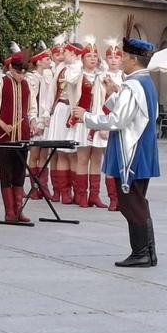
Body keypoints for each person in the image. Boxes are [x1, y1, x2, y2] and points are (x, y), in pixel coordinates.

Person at [73, 36, 160, 267]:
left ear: (133, 59)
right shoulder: (145, 83)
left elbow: (119, 120)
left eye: (123, 55)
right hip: (142, 150)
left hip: (130, 152)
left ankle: (141, 252)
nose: (120, 59)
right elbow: (133, 112)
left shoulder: (133, 85)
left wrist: (87, 117)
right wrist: (114, 94)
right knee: (137, 200)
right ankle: (147, 252)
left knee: (131, 202)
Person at [0, 52, 37, 223]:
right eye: (17, 72)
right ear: (10, 68)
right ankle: (9, 212)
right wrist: (3, 125)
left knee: (20, 173)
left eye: (23, 72)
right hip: (4, 137)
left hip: (21, 134)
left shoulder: (27, 84)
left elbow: (31, 108)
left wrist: (34, 121)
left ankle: (19, 210)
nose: (20, 75)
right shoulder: (1, 82)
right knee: (6, 173)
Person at [68, 38, 108, 208]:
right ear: (82, 58)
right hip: (82, 121)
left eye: (95, 56)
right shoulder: (77, 74)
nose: (93, 59)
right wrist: (77, 63)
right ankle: (81, 194)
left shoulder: (101, 76)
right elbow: (70, 80)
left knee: (97, 159)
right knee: (82, 158)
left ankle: (95, 195)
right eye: (89, 56)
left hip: (97, 120)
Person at [46, 41, 83, 204]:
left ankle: (77, 191)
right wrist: (46, 113)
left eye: (66, 53)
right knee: (60, 151)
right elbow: (52, 91)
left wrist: (76, 64)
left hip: (74, 111)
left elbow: (73, 80)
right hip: (61, 109)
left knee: (74, 153)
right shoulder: (60, 69)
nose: (63, 56)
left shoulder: (79, 69)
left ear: (74, 55)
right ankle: (62, 191)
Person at [25, 46, 53, 200]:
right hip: (36, 117)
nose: (50, 61)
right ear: (39, 62)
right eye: (47, 59)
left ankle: (43, 185)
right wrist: (32, 119)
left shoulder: (49, 76)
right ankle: (34, 186)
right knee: (34, 153)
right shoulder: (32, 78)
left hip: (46, 117)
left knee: (44, 153)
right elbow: (32, 100)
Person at [103, 39, 125, 210]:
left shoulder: (126, 77)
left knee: (122, 161)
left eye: (116, 57)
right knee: (110, 162)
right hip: (107, 120)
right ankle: (113, 199)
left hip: (122, 123)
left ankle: (122, 197)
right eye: (110, 57)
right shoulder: (102, 77)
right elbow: (98, 103)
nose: (113, 60)